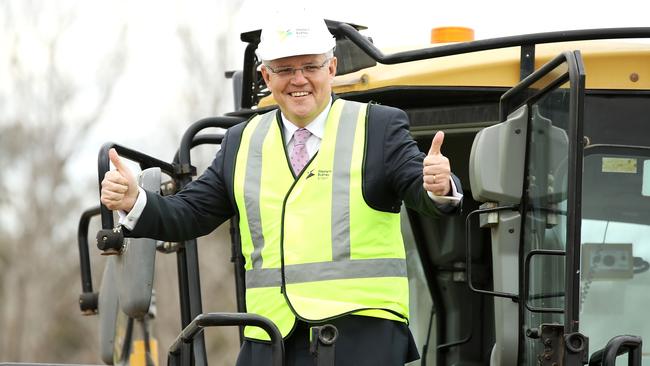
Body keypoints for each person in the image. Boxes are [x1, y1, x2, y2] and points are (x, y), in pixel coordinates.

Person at [100, 12, 463, 366]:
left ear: (331, 69)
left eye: (310, 66)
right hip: (268, 341)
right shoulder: (242, 142)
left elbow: (422, 189)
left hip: (361, 340)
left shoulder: (377, 127)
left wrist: (438, 186)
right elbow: (191, 213)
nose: (299, 79)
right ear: (266, 76)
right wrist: (136, 201)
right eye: (285, 69)